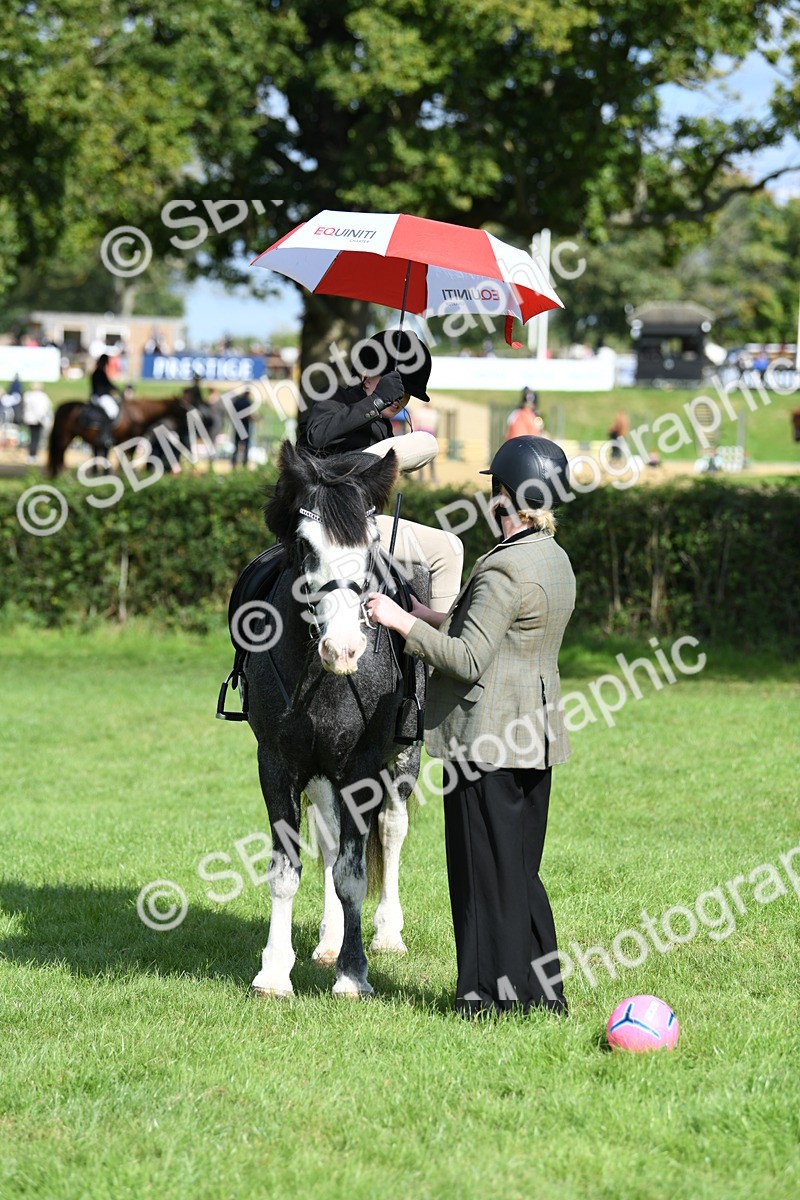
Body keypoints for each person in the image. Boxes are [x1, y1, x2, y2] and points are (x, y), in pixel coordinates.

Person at [367, 436, 575, 1017]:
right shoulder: (552, 559)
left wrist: (397, 620)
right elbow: (489, 630)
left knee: (481, 876)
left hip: (485, 739)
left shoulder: (503, 567)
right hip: (534, 736)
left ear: (504, 495)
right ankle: (541, 994)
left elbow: (465, 658)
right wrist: (424, 612)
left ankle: (485, 997)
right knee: (519, 872)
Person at [298, 328, 462, 612]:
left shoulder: (385, 426)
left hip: (363, 526)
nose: (399, 398)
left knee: (450, 548)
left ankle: (437, 647)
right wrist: (374, 402)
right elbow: (316, 436)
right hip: (321, 521)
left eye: (406, 393)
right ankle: (354, 472)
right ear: (365, 373)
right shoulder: (334, 397)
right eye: (394, 386)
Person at [89, 353, 123, 454]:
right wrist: (113, 390)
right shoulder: (99, 373)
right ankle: (105, 435)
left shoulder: (100, 372)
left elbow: (109, 384)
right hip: (99, 397)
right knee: (112, 411)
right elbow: (104, 386)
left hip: (102, 396)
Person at [21, 383, 53, 464]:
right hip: (38, 420)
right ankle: (33, 455)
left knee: (32, 437)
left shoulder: (27, 396)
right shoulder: (42, 397)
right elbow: (45, 408)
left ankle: (31, 454)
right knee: (36, 438)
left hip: (29, 419)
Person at [231, 389, 253, 467]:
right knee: (246, 447)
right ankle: (244, 464)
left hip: (237, 426)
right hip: (245, 426)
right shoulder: (247, 402)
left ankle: (233, 463)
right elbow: (248, 416)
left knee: (236, 446)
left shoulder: (236, 401)